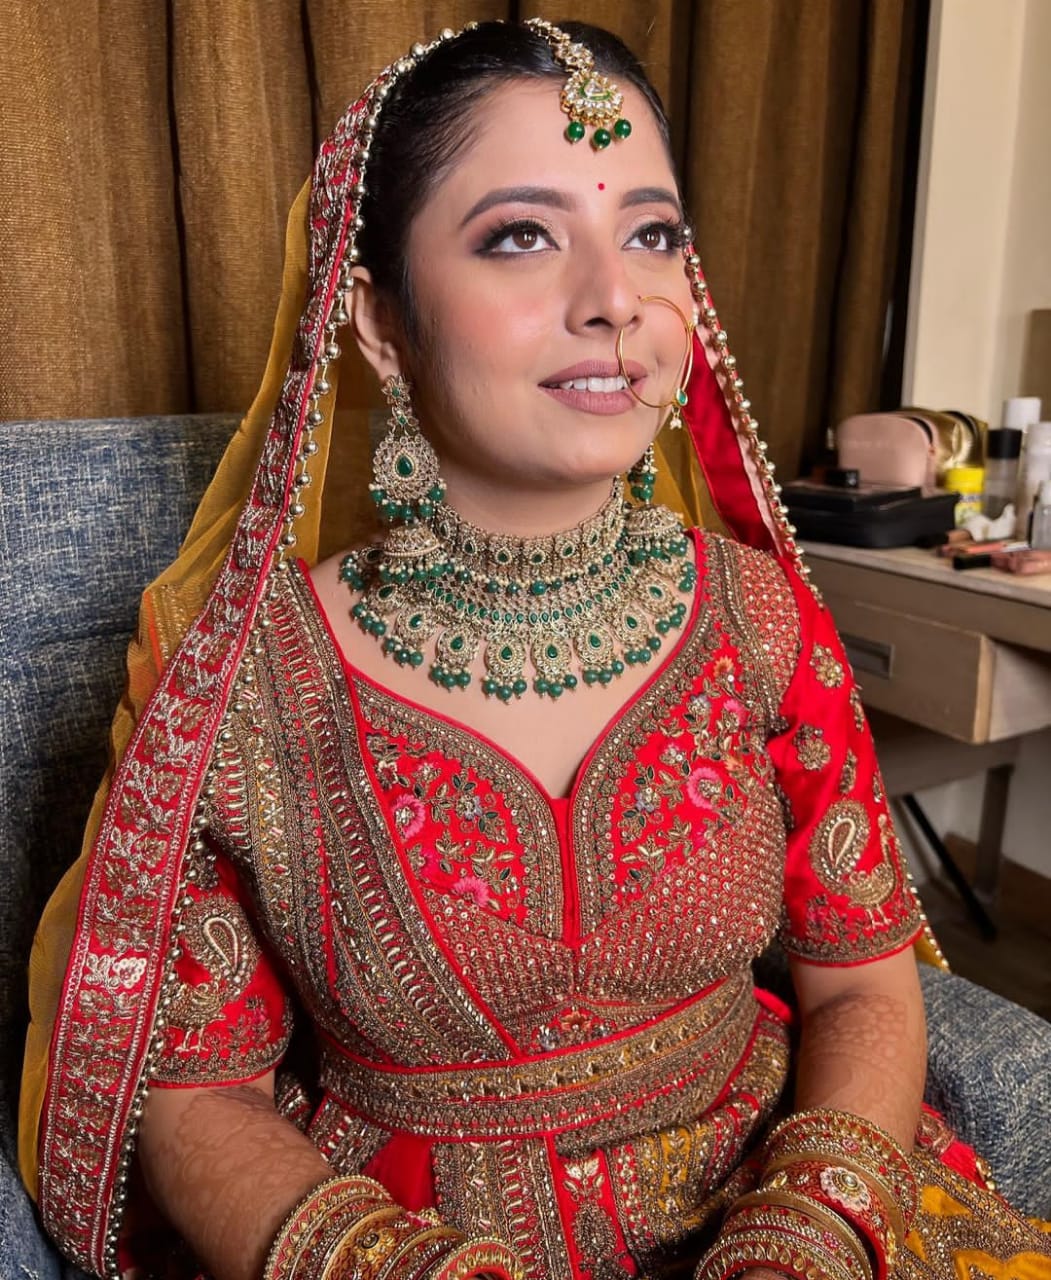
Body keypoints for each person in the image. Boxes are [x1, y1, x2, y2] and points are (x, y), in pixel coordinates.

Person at [17, 18, 1051, 1280]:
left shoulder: (761, 619)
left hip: (789, 1211)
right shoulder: (239, 681)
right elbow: (192, 1091)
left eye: (652, 233)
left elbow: (862, 986)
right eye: (520, 234)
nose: (617, 298)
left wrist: (805, 1232)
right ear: (380, 324)